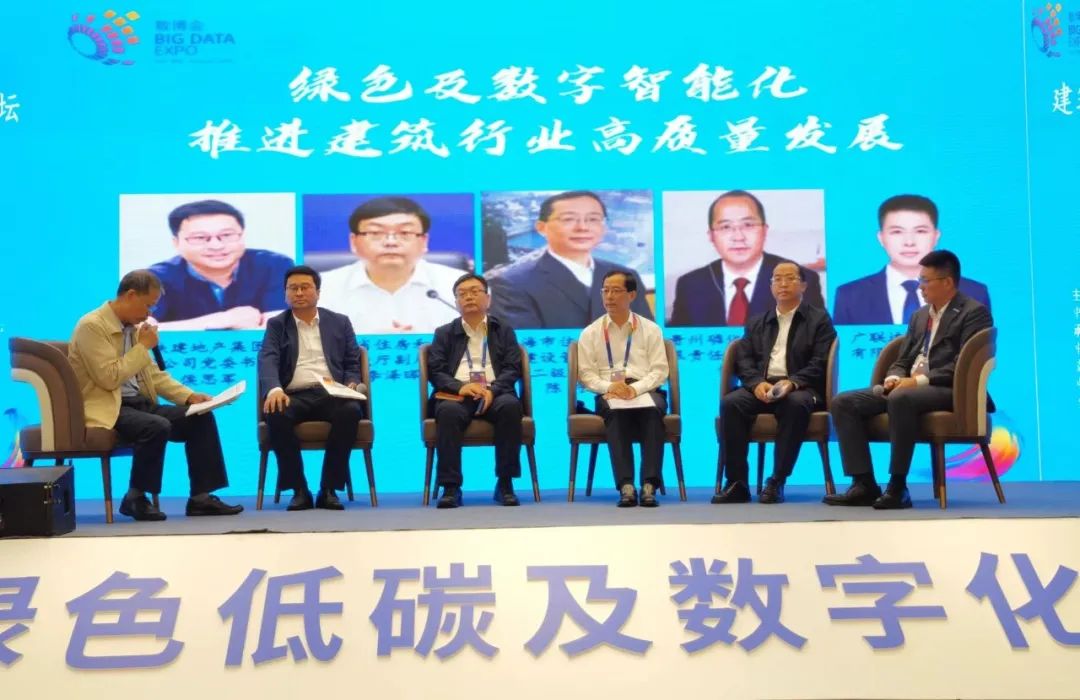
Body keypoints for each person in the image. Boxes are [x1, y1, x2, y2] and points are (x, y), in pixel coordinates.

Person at [67, 270, 244, 521]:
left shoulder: (132, 329)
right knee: (156, 426)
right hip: (109, 407)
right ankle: (136, 497)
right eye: (148, 305)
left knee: (200, 418)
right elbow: (109, 377)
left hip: (139, 404)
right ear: (130, 295)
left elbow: (153, 375)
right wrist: (143, 347)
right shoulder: (92, 326)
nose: (150, 313)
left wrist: (189, 396)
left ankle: (201, 498)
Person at [826, 250, 992, 509]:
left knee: (902, 398)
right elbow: (903, 359)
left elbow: (962, 365)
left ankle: (898, 487)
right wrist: (894, 376)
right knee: (843, 402)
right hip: (909, 388)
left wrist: (916, 382)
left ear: (947, 282)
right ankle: (863, 484)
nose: (920, 287)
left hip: (950, 390)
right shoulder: (920, 315)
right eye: (919, 280)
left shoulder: (973, 312)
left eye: (925, 281)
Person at [713, 262, 837, 505]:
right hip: (764, 386)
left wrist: (793, 382)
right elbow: (744, 359)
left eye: (790, 278)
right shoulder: (757, 321)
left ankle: (777, 481)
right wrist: (756, 384)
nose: (783, 284)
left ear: (803, 285)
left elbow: (820, 361)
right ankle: (737, 483)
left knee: (795, 404)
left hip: (801, 388)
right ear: (770, 286)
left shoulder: (819, 320)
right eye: (777, 279)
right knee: (731, 403)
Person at [258, 265, 365, 511]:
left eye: (305, 287)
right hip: (293, 395)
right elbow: (268, 358)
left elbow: (352, 361)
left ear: (318, 292)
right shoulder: (277, 324)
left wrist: (350, 382)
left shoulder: (339, 322)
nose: (299, 293)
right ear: (285, 293)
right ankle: (298, 490)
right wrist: (274, 389)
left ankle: (329, 489)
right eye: (292, 288)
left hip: (331, 393)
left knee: (350, 411)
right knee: (276, 412)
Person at [486, 190, 653, 329]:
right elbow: (523, 350)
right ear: (541, 228)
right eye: (568, 219)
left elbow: (648, 341)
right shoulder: (512, 283)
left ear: (604, 227)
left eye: (593, 219)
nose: (582, 227)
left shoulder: (626, 276)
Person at [427, 274, 525, 509]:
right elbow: (436, 371)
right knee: (448, 412)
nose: (468, 297)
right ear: (456, 302)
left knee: (510, 407)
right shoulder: (444, 333)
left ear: (488, 299)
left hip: (496, 393)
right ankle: (451, 487)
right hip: (458, 394)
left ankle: (505, 484)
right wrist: (461, 387)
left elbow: (513, 368)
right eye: (462, 294)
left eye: (474, 292)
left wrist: (494, 389)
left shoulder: (503, 331)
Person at [577, 270, 670, 507]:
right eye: (605, 290)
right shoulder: (591, 332)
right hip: (609, 392)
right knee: (615, 413)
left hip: (645, 390)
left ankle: (649, 485)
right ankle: (626, 486)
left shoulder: (650, 329)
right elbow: (586, 375)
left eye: (616, 291)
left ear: (631, 295)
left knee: (653, 411)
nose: (609, 296)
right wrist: (611, 386)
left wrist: (635, 390)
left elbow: (659, 371)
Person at [668, 190, 825, 326]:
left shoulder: (801, 280)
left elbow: (817, 341)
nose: (738, 237)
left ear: (765, 230)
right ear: (711, 236)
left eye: (748, 225)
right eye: (725, 227)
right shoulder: (690, 285)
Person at [832, 195, 991, 325]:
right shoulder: (850, 296)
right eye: (897, 232)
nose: (909, 242)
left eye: (920, 231)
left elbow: (981, 350)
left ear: (936, 236)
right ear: (881, 238)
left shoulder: (973, 293)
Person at [318, 196, 468, 333]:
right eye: (375, 233)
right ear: (354, 242)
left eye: (405, 233)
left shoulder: (459, 285)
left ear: (424, 241)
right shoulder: (323, 289)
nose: (391, 242)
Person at [148, 199, 294, 329]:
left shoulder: (275, 265)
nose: (216, 246)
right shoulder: (154, 278)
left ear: (242, 236)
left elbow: (283, 327)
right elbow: (139, 331)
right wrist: (224, 319)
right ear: (176, 243)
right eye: (200, 237)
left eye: (226, 235)